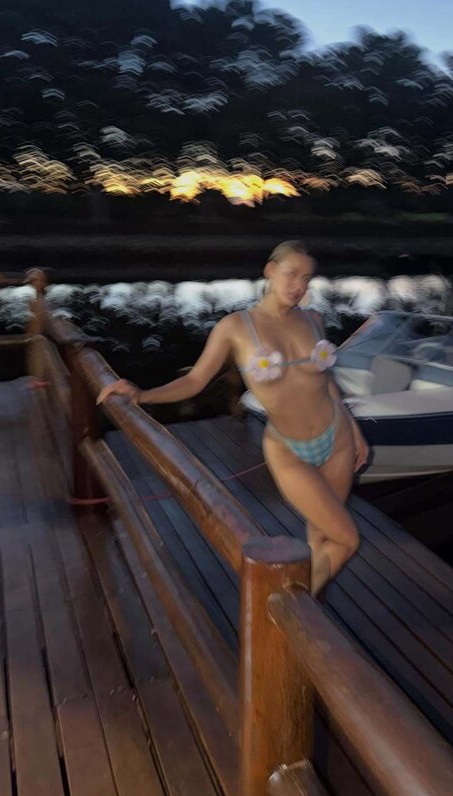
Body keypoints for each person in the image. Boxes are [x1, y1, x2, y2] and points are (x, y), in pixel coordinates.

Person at [97, 241, 368, 595]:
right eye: (291, 274)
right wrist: (142, 394)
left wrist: (354, 429)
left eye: (306, 278)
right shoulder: (236, 327)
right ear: (270, 270)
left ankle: (310, 608)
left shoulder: (313, 320)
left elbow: (325, 381)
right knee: (346, 538)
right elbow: (195, 381)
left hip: (338, 438)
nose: (298, 285)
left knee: (321, 536)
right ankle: (284, 617)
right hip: (288, 448)